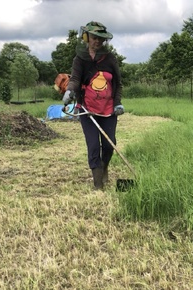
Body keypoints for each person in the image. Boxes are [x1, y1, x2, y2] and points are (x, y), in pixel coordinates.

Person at [63, 21, 124, 190]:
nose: (97, 41)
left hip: (108, 110)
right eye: (94, 38)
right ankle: (98, 184)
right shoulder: (79, 60)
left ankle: (104, 168)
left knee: (109, 144)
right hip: (87, 110)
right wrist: (69, 91)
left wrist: (117, 103)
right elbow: (75, 79)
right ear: (86, 37)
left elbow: (118, 84)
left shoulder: (110, 59)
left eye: (100, 39)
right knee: (94, 146)